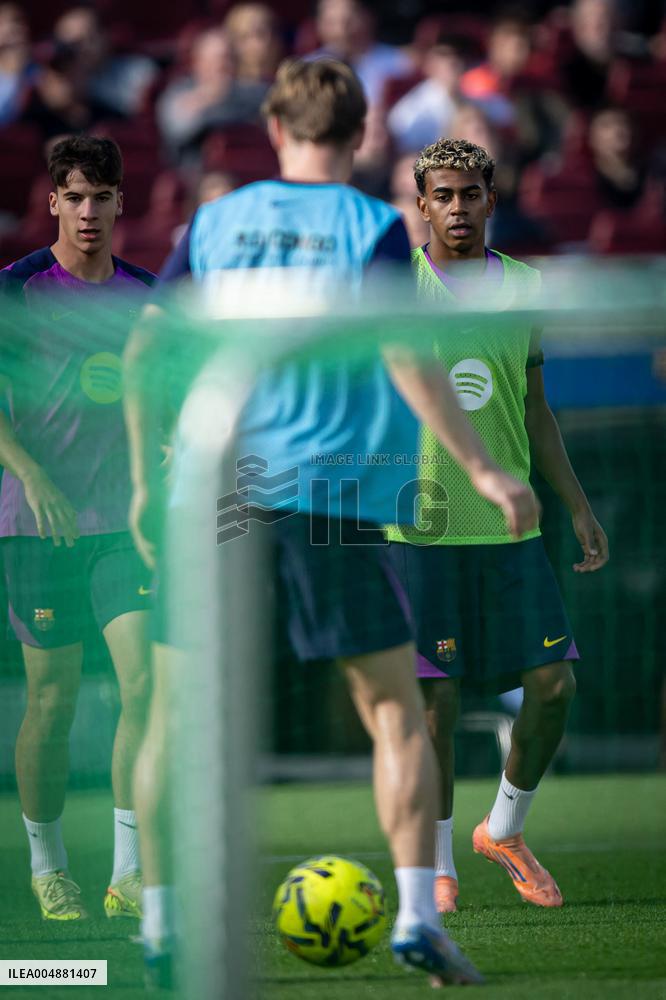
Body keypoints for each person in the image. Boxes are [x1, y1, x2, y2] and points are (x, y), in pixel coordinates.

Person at [123, 58, 539, 988]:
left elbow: (148, 344)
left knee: (176, 715)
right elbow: (405, 353)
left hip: (218, 494)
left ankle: (160, 926)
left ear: (273, 127)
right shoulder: (372, 228)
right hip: (328, 498)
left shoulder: (214, 222)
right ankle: (416, 916)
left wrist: (150, 486)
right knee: (391, 707)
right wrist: (481, 465)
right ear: (360, 137)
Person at [385, 137, 609, 914]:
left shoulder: (525, 285)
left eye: (469, 194)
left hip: (511, 529)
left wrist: (577, 503)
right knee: (433, 704)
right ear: (421, 204)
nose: (456, 208)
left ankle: (504, 829)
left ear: (491, 198)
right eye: (441, 195)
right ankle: (439, 866)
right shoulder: (391, 288)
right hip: (422, 531)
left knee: (553, 686)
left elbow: (534, 409)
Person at [0, 136, 154, 921]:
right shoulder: (17, 290)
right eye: (76, 196)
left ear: (121, 202)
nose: (89, 210)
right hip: (34, 527)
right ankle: (47, 863)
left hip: (122, 526)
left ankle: (128, 874)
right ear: (53, 201)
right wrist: (30, 474)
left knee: (142, 684)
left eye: (103, 196)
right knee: (53, 704)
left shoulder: (148, 295)